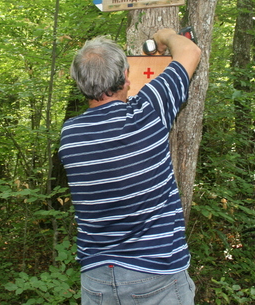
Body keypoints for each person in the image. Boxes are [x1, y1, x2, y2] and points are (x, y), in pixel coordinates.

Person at [58, 28, 201, 305]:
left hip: (96, 279)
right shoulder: (147, 112)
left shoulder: (70, 135)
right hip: (155, 274)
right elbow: (190, 51)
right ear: (126, 76)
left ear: (79, 83)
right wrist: (166, 35)